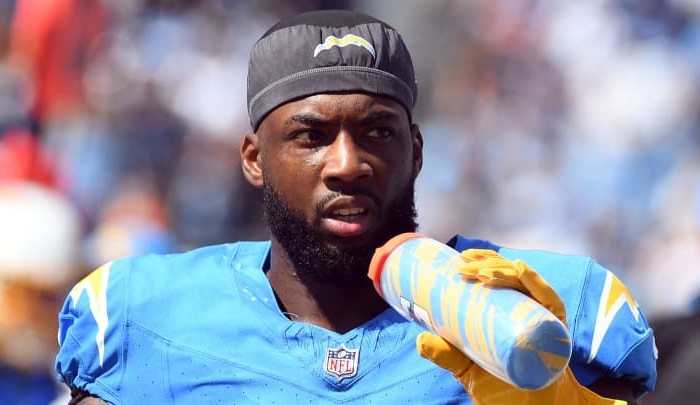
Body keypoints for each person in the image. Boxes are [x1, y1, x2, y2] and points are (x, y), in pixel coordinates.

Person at [55, 9, 656, 404]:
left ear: (416, 151)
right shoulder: (142, 316)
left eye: (377, 132)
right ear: (253, 158)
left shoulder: (546, 311)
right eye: (310, 136)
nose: (348, 163)